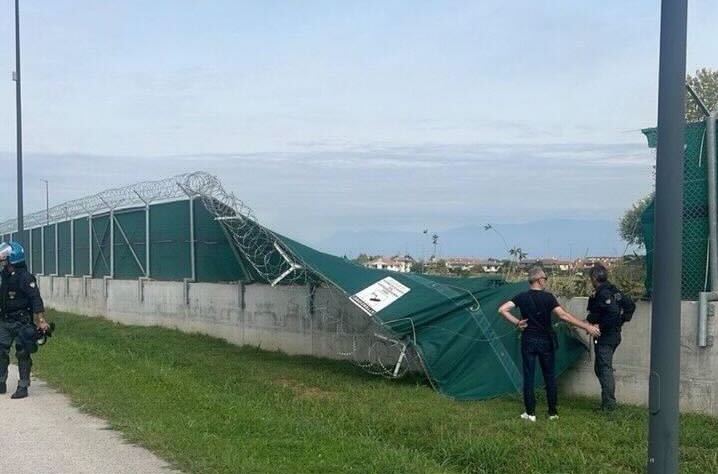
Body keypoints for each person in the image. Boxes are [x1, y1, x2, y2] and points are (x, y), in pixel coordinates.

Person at [498, 266, 600, 422]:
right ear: (539, 280)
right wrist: (586, 326)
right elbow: (563, 316)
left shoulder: (521, 297)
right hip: (546, 341)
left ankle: (530, 414)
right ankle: (552, 413)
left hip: (528, 341)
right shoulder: (548, 298)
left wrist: (517, 322)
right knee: (549, 377)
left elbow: (502, 309)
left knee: (529, 377)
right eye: (545, 278)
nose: (546, 281)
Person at [0, 241, 49, 399]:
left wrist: (41, 320)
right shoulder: (4, 276)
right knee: (1, 351)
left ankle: (23, 386)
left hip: (22, 320)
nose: (2, 261)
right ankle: (1, 382)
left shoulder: (25, 277)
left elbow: (35, 298)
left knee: (22, 352)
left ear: (12, 259)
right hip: (5, 320)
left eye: (4, 258)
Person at [586, 263, 634, 411]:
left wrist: (601, 326)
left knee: (604, 369)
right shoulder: (614, 291)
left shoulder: (603, 293)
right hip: (613, 335)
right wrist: (621, 321)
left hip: (606, 337)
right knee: (600, 368)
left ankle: (609, 406)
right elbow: (630, 306)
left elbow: (612, 312)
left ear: (594, 278)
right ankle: (607, 401)